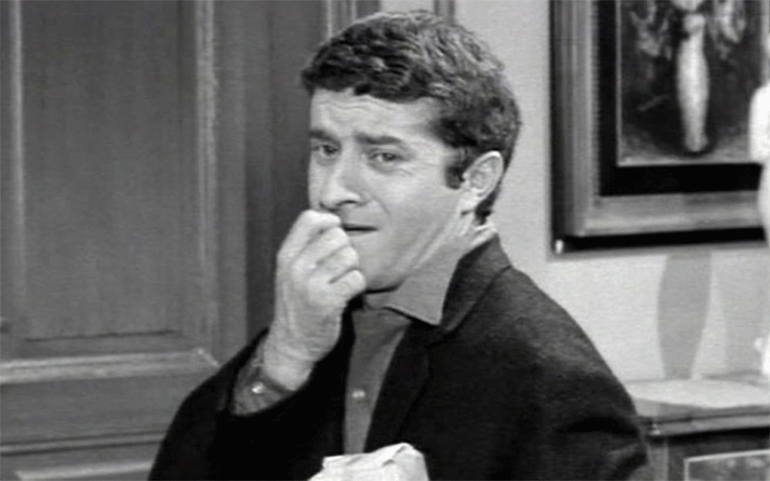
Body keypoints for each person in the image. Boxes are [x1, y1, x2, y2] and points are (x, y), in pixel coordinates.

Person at [149, 10, 649, 480]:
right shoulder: (314, 320)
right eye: (326, 149)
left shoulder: (548, 372)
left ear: (476, 180)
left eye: (383, 157)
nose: (333, 191)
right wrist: (285, 359)